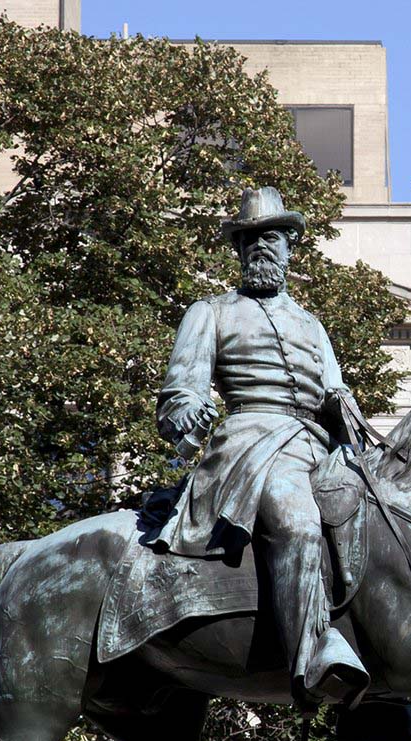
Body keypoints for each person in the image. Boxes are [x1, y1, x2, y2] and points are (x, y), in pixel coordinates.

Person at [150, 186, 370, 708]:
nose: (260, 248)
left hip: (317, 446)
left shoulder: (312, 326)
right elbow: (179, 395)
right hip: (252, 445)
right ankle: (313, 653)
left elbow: (336, 391)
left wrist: (344, 408)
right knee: (296, 522)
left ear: (290, 246)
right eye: (249, 240)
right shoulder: (212, 312)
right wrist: (187, 411)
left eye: (270, 237)